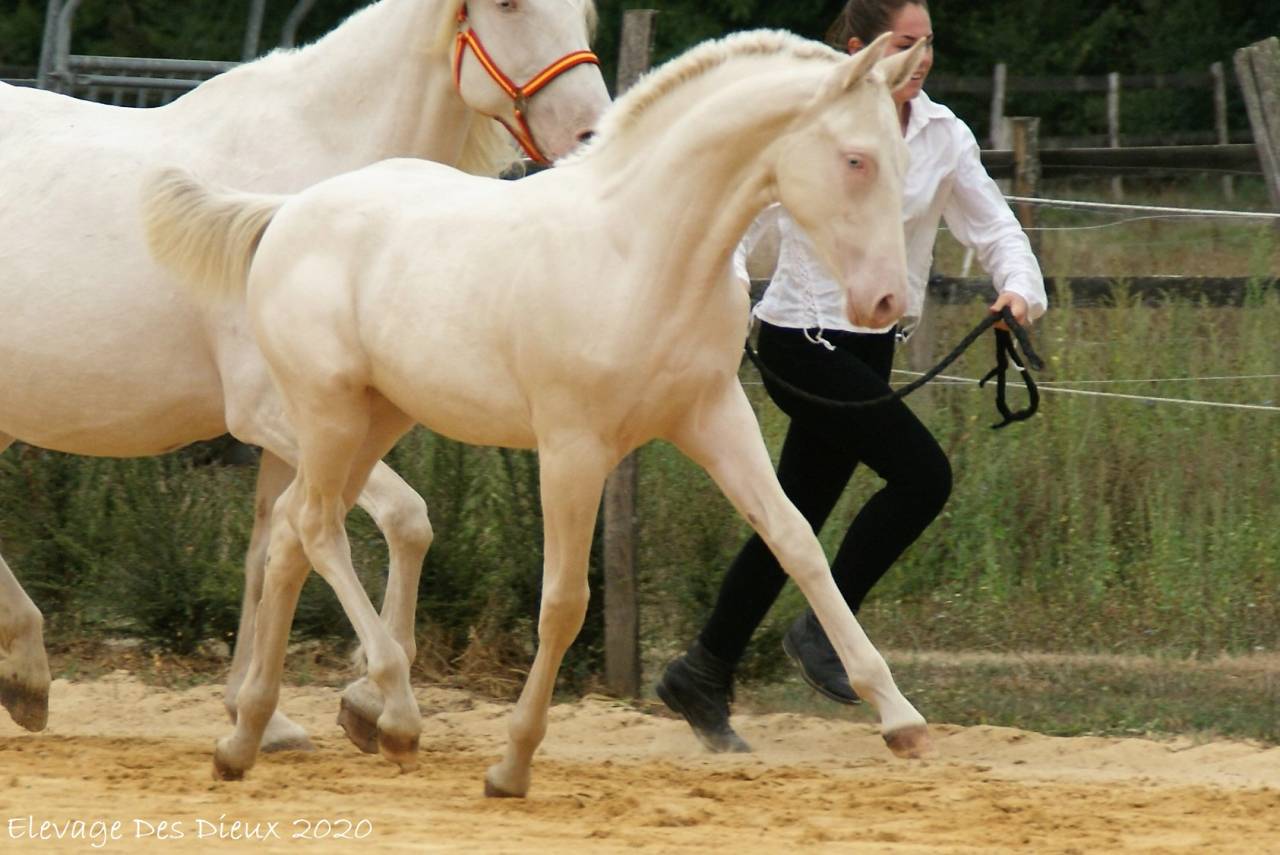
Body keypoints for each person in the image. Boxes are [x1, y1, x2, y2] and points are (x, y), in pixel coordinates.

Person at [655, 0, 1049, 753]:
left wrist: (1017, 288)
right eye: (908, 41)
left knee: (791, 515)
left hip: (870, 347)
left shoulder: (942, 134)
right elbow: (742, 228)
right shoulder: (817, 129)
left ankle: (704, 667)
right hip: (800, 339)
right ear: (862, 48)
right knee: (923, 476)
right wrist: (726, 298)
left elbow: (994, 225)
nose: (924, 55)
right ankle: (825, 633)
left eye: (931, 40)